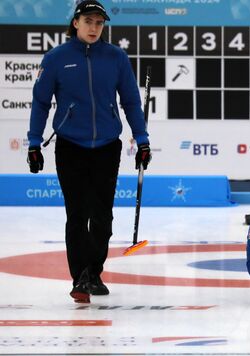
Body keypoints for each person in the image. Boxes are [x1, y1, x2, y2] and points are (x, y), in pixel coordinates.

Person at [26, 0, 152, 303]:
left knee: (102, 216)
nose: (94, 28)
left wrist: (142, 139)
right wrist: (34, 142)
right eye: (89, 21)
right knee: (77, 213)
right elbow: (41, 102)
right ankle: (80, 277)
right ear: (76, 23)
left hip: (107, 145)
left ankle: (94, 271)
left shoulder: (116, 57)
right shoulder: (57, 58)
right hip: (70, 146)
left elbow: (131, 102)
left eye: (99, 23)